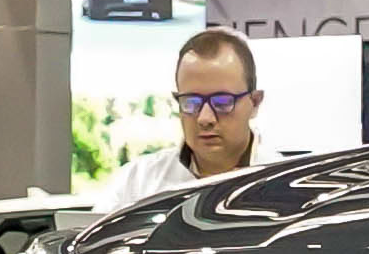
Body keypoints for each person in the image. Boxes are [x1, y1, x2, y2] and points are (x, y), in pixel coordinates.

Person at [95, 24, 267, 202]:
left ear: (255, 103)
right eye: (191, 102)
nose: (205, 118)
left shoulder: (282, 184)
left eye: (222, 102)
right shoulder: (136, 184)